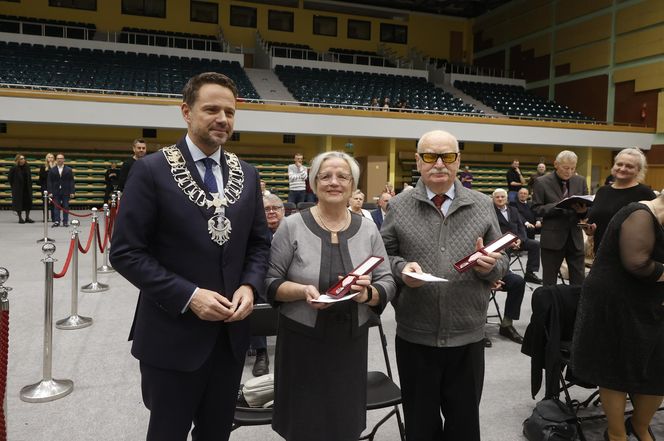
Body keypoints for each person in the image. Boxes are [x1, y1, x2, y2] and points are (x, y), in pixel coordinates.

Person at [109, 72, 271, 441]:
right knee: (167, 432)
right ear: (186, 111)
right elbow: (126, 252)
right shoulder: (150, 170)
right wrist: (189, 295)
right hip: (172, 336)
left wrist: (250, 284)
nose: (222, 119)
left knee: (216, 433)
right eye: (211, 109)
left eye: (229, 112)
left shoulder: (247, 174)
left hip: (230, 338)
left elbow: (259, 244)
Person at [381, 129, 508, 441]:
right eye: (430, 156)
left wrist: (492, 266)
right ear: (418, 161)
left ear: (458, 161)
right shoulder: (398, 206)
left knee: (464, 425)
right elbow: (383, 256)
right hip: (415, 334)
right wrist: (400, 269)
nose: (439, 163)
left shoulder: (481, 204)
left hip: (467, 335)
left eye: (447, 156)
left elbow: (501, 258)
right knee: (420, 425)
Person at [265, 151, 396, 441]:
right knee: (303, 422)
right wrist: (301, 291)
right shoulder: (291, 225)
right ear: (312, 184)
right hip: (301, 341)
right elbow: (270, 280)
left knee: (343, 421)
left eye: (342, 177)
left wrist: (368, 294)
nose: (333, 182)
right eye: (325, 176)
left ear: (352, 185)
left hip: (349, 343)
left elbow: (387, 279)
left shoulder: (369, 227)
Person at [571, 195, 664, 441]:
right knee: (616, 366)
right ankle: (616, 433)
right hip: (613, 302)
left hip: (651, 299)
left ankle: (639, 425)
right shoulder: (639, 214)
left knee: (658, 367)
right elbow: (638, 264)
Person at [532, 150, 588, 286]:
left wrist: (583, 211)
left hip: (575, 237)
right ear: (556, 164)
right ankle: (550, 308)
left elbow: (587, 208)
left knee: (579, 279)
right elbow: (536, 209)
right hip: (552, 239)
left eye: (573, 168)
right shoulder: (541, 182)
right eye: (566, 168)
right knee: (549, 281)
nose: (569, 171)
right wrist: (557, 206)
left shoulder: (580, 181)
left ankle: (576, 307)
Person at [583, 148, 655, 254]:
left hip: (631, 256)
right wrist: (590, 230)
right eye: (619, 164)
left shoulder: (645, 193)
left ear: (638, 170)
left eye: (629, 166)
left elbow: (655, 227)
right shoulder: (603, 191)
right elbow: (596, 220)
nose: (622, 168)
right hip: (601, 253)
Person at [248, 193, 284, 378]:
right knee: (256, 289)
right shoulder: (252, 233)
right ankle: (261, 352)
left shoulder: (291, 230)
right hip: (262, 279)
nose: (271, 212)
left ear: (283, 211)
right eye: (266, 209)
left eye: (275, 208)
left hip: (288, 279)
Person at [492, 188, 542, 285]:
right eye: (497, 197)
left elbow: (521, 226)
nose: (500, 199)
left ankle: (530, 273)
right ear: (493, 199)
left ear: (507, 198)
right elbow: (493, 231)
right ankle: (504, 275)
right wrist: (507, 242)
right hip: (502, 243)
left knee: (535, 244)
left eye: (502, 197)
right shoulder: (491, 212)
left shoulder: (513, 210)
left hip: (518, 241)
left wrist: (520, 240)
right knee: (504, 249)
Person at [485, 271, 526, 346]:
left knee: (517, 282)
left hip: (497, 271)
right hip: (474, 274)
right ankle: (477, 328)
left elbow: (505, 259)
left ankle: (506, 325)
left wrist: (497, 275)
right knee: (480, 285)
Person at [47, 153, 75, 228]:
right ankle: (57, 221)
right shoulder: (52, 170)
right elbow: (49, 181)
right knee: (56, 207)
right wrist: (50, 192)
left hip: (66, 191)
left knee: (66, 206)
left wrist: (72, 192)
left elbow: (71, 181)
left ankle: (65, 221)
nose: (60, 160)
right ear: (56, 160)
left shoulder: (69, 169)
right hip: (55, 191)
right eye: (58, 158)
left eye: (61, 158)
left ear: (64, 160)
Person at [8, 154, 34, 224]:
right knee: (19, 204)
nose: (22, 160)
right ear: (17, 160)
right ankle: (20, 218)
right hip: (18, 189)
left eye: (23, 159)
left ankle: (27, 217)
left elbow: (29, 178)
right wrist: (14, 187)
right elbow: (10, 178)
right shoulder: (14, 168)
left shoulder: (27, 167)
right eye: (20, 159)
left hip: (27, 188)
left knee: (28, 203)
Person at [38, 153, 55, 222]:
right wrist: (48, 169)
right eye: (49, 157)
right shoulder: (43, 167)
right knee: (45, 203)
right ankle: (45, 217)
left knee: (53, 203)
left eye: (52, 157)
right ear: (46, 158)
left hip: (53, 187)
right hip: (45, 187)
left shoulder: (56, 167)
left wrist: (51, 168)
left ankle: (54, 217)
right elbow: (41, 178)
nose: (50, 159)